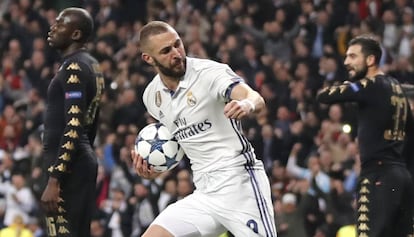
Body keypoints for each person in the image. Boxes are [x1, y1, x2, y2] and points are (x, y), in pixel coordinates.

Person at [131, 21, 277, 237]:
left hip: (239, 183)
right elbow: (182, 141)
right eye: (166, 50)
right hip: (204, 192)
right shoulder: (152, 97)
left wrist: (246, 104)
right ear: (148, 58)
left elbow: (253, 96)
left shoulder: (209, 73)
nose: (177, 53)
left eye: (177, 44)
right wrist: (156, 170)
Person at [316, 35, 414, 237]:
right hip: (402, 176)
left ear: (370, 60)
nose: (346, 62)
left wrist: (352, 86)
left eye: (352, 56)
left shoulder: (372, 85)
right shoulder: (399, 90)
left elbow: (325, 96)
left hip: (378, 175)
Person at [40, 7, 105, 237]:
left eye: (60, 23)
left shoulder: (73, 67)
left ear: (75, 34)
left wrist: (55, 178)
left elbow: (75, 124)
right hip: (79, 161)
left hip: (68, 168)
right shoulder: (92, 64)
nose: (53, 27)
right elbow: (92, 123)